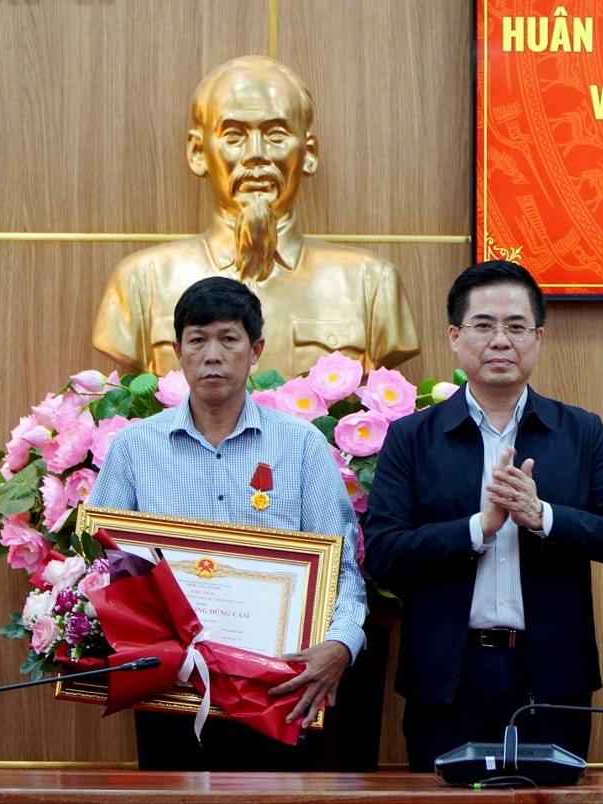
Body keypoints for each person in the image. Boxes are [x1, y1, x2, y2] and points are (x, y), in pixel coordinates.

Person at [363, 260, 603, 772]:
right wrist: (478, 528)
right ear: (454, 336)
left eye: (516, 326)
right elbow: (382, 554)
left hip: (552, 677)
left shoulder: (580, 432)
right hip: (445, 678)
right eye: (483, 325)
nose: (500, 340)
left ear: (537, 337)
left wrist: (543, 517)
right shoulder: (412, 437)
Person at [88, 276, 366, 770]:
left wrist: (342, 643)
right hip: (170, 685)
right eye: (197, 340)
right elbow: (104, 564)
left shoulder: (301, 446)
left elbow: (342, 567)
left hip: (276, 687)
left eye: (228, 339)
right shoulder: (134, 448)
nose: (212, 355)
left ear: (255, 350)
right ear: (178, 352)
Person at [92, 55, 419, 378]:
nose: (256, 154)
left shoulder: (371, 283)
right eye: (233, 136)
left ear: (309, 154)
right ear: (198, 153)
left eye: (276, 135)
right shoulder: (141, 282)